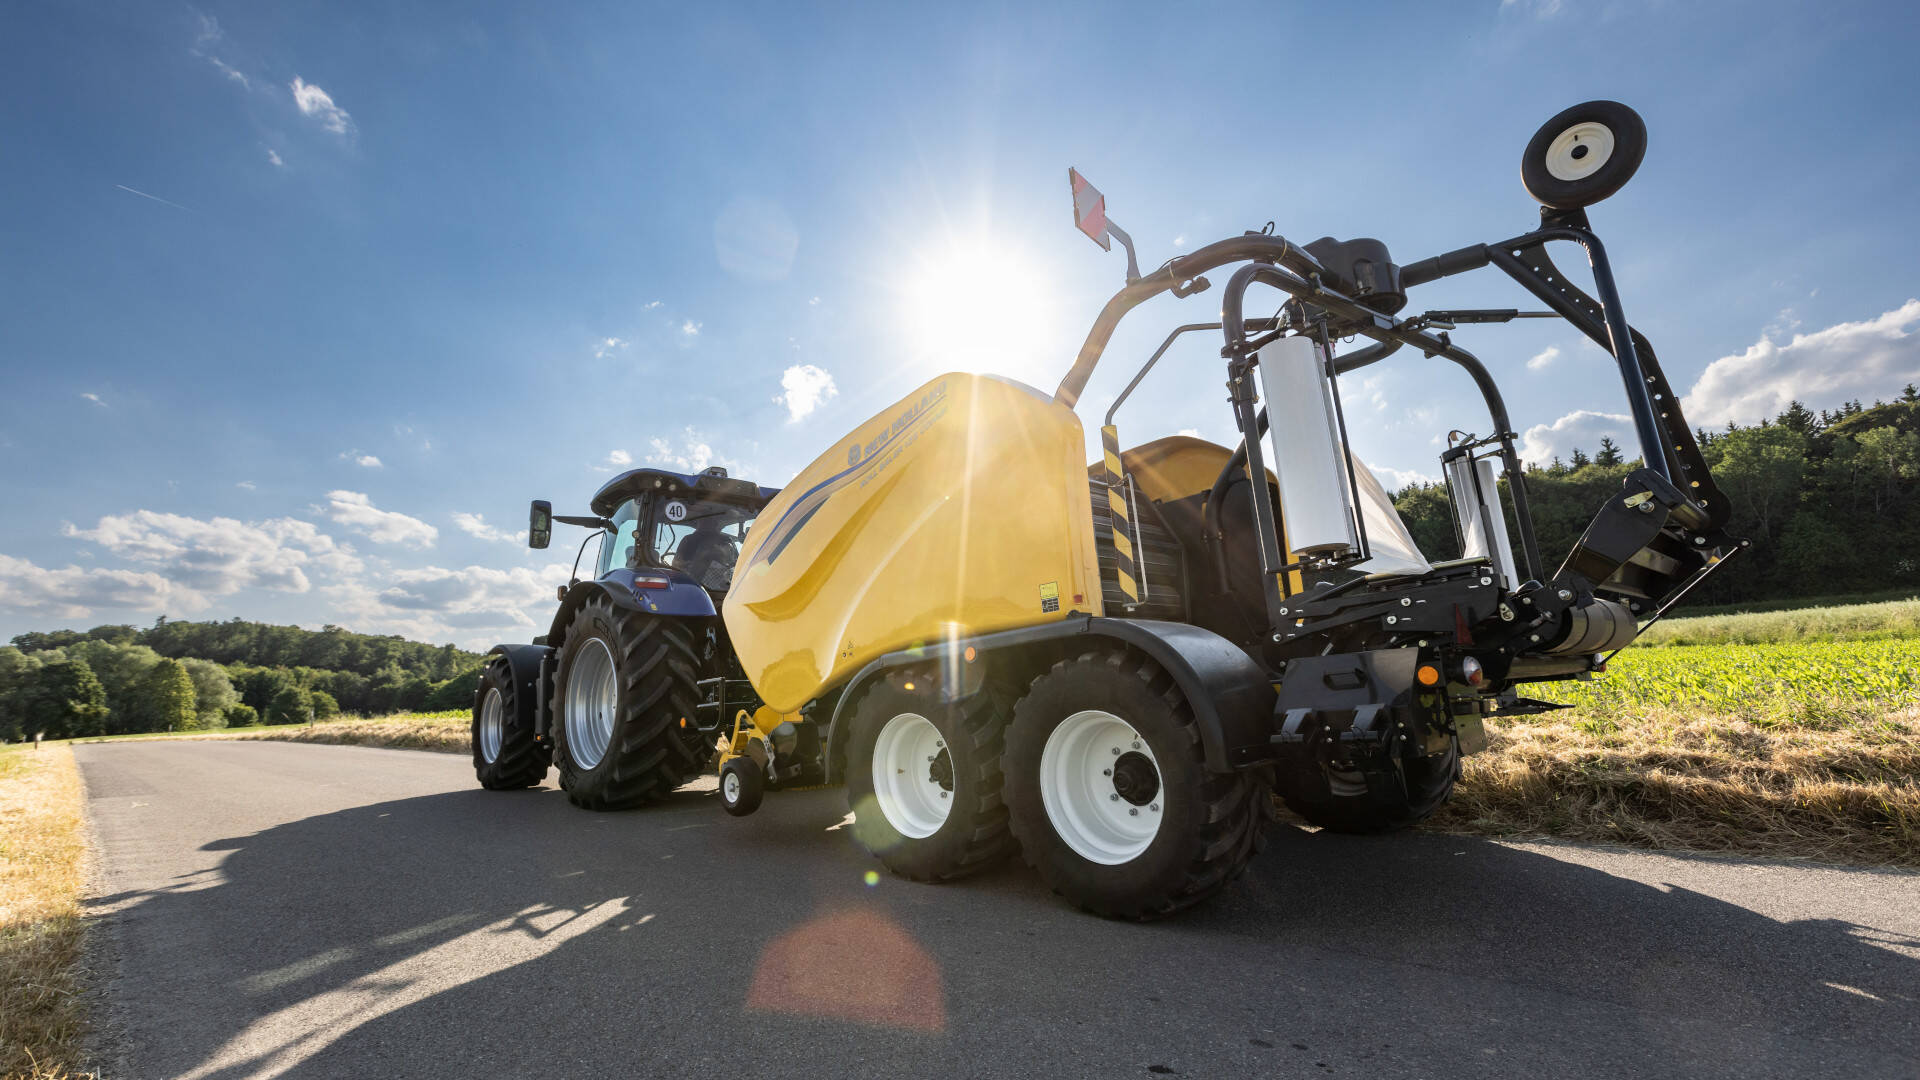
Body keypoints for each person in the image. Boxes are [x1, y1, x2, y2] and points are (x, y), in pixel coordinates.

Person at [673, 514, 738, 589]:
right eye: (704, 520)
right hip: (691, 585)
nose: (707, 523)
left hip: (722, 589)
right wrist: (688, 565)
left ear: (715, 523)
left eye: (711, 520)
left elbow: (734, 565)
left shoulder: (726, 541)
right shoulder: (688, 540)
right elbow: (676, 564)